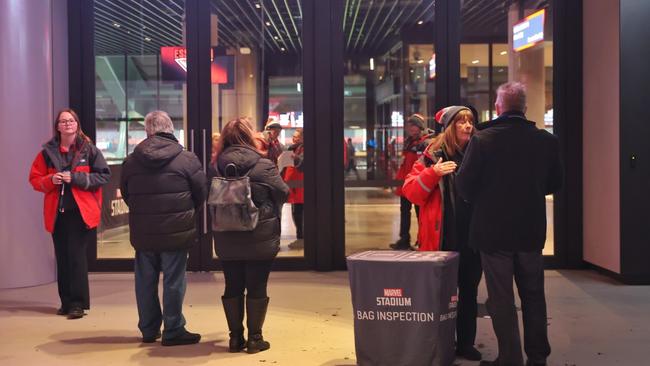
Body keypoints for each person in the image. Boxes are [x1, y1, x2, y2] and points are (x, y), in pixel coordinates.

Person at [456, 82, 563, 366]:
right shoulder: (546, 141)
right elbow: (555, 183)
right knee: (533, 296)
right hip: (530, 231)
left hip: (492, 234)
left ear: (498, 106)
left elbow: (464, 186)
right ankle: (538, 358)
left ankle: (510, 358)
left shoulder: (483, 140)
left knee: (500, 298)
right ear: (525, 108)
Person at [402, 106, 483, 361]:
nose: (468, 126)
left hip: (473, 239)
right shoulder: (431, 155)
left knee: (469, 292)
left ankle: (466, 343)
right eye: (461, 122)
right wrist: (432, 172)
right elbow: (411, 191)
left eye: (470, 121)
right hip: (441, 240)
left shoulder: (479, 153)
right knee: (438, 296)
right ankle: (439, 343)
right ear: (450, 127)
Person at [120, 111, 207, 346]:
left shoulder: (131, 161)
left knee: (145, 280)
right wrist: (186, 213)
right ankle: (173, 329)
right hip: (176, 230)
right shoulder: (187, 159)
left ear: (147, 131)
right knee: (174, 280)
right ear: (170, 128)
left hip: (144, 231)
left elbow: (127, 194)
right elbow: (201, 194)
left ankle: (148, 329)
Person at [212, 117, 289, 354]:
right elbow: (283, 192)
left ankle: (235, 339)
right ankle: (255, 339)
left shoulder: (215, 166)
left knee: (232, 284)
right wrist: (266, 209)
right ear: (248, 138)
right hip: (260, 235)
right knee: (257, 285)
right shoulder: (263, 165)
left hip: (226, 235)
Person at [29, 108, 111, 319]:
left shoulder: (89, 150)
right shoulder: (46, 153)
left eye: (71, 120)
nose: (67, 124)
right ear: (57, 127)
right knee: (62, 258)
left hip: (80, 214)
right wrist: (50, 180)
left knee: (76, 257)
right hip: (57, 214)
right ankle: (66, 302)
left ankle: (78, 304)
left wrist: (75, 178)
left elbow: (103, 177)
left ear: (77, 124)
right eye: (63, 121)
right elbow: (34, 180)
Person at [389, 113, 434, 250]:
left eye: (414, 125)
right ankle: (404, 239)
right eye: (410, 125)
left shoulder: (425, 142)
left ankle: (423, 240)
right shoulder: (409, 141)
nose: (411, 128)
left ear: (419, 127)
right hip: (406, 183)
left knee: (420, 213)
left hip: (418, 183)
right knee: (405, 211)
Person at [282, 128, 305, 248]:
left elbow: (302, 165)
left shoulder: (304, 148)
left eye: (296, 136)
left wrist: (292, 157)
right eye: (294, 136)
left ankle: (302, 234)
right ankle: (300, 233)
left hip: (300, 185)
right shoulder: (293, 148)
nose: (294, 138)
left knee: (299, 210)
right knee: (295, 209)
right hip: (293, 185)